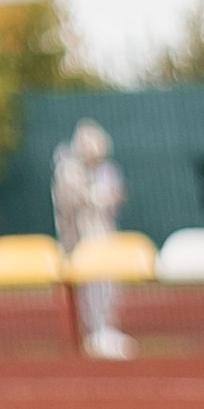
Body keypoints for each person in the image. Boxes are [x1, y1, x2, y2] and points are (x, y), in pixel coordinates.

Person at [51, 120, 133, 358]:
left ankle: (107, 329)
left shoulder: (104, 169)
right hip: (80, 240)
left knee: (108, 285)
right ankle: (95, 333)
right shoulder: (68, 170)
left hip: (103, 238)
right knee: (91, 287)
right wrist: (98, 198)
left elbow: (115, 196)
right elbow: (73, 201)